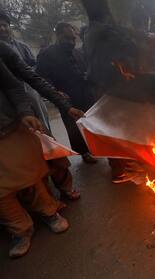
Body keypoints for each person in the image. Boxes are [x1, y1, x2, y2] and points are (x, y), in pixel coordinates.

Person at [0, 13, 83, 200]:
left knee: (50, 147)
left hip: (28, 107)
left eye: (5, 25)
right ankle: (44, 201)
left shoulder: (15, 49)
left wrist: (65, 106)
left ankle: (65, 188)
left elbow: (33, 77)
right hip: (5, 120)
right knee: (20, 164)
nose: (3, 29)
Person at [0, 60, 69, 259]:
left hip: (9, 127)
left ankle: (49, 212)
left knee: (30, 177)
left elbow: (13, 85)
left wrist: (25, 112)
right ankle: (20, 230)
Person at [37, 22, 97, 164]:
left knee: (91, 124)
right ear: (58, 36)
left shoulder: (78, 52)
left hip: (86, 94)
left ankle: (97, 148)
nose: (71, 42)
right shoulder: (46, 54)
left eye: (73, 39)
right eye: (67, 38)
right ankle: (84, 152)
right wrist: (55, 92)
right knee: (73, 127)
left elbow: (87, 70)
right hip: (66, 98)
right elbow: (40, 77)